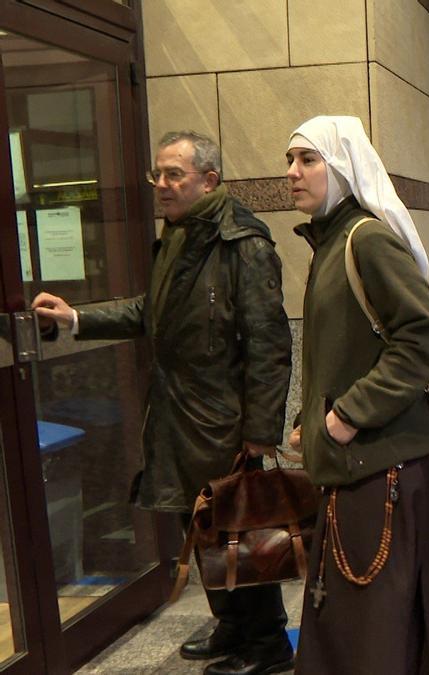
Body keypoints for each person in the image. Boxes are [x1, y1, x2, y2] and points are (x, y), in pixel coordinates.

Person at [33, 131, 293, 675]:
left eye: (174, 174)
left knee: (238, 533)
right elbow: (150, 313)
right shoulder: (177, 235)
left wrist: (261, 432)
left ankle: (266, 646)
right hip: (176, 416)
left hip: (224, 422)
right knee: (198, 529)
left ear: (209, 180)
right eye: (158, 174)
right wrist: (75, 318)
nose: (161, 185)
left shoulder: (243, 244)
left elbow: (270, 344)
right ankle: (231, 627)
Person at [285, 115, 429, 674]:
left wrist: (345, 416)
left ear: (341, 167)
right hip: (354, 459)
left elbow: (419, 340)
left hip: (381, 463)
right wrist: (308, 418)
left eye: (307, 160)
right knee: (358, 621)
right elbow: (339, 352)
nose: (292, 173)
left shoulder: (367, 239)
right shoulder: (330, 241)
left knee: (379, 624)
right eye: (289, 160)